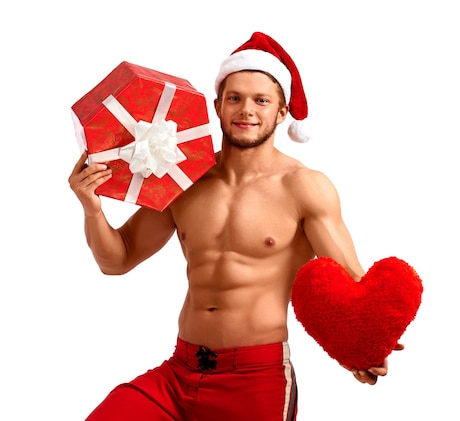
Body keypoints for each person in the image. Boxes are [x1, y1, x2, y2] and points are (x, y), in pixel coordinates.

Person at [68, 32, 402, 421]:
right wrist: (92, 209)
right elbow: (118, 259)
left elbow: (351, 280)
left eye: (261, 100)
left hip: (254, 380)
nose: (247, 110)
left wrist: (364, 343)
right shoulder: (184, 180)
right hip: (179, 373)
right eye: (235, 98)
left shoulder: (304, 187)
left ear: (281, 112)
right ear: (217, 106)